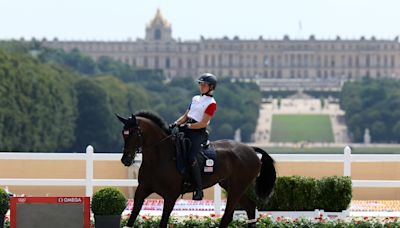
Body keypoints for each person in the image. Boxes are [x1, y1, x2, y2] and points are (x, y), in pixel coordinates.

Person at [170, 73, 217, 200]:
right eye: (200, 84)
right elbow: (186, 116)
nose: (201, 87)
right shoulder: (195, 98)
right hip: (187, 128)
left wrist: (188, 127)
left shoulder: (211, 103)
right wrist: (175, 123)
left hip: (198, 132)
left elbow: (203, 123)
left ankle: (198, 189)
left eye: (204, 85)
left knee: (191, 158)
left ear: (211, 87)